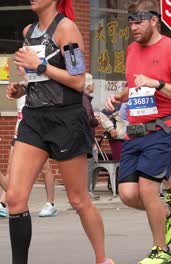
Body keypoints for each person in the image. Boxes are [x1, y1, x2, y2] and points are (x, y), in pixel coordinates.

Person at [5, 0, 113, 263]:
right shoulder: (28, 31)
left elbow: (78, 81)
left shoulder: (67, 29)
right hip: (34, 118)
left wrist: (40, 65)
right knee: (14, 198)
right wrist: (22, 87)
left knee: (78, 200)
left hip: (65, 119)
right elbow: (38, 78)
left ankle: (102, 259)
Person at [105, 1, 171, 263]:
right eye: (130, 22)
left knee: (147, 190)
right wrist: (120, 97)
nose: (133, 27)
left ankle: (162, 250)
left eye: (138, 21)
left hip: (162, 129)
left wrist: (158, 83)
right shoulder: (132, 49)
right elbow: (134, 87)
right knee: (128, 194)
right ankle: (167, 211)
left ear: (154, 20)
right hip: (135, 131)